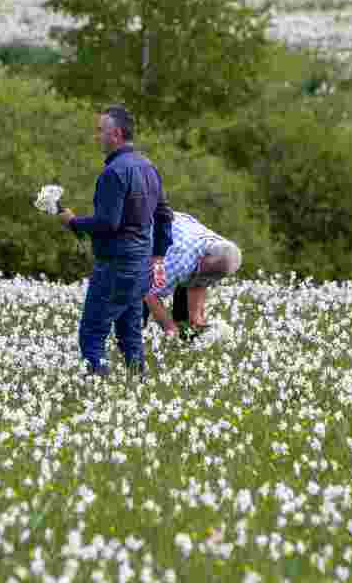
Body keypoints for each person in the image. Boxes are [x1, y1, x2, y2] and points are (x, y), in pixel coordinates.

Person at [57, 105, 172, 378]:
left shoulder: (114, 172)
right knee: (130, 336)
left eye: (100, 131)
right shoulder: (148, 167)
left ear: (116, 134)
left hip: (114, 267)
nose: (97, 136)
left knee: (92, 334)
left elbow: (109, 223)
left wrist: (73, 222)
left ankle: (96, 391)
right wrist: (156, 255)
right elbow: (165, 215)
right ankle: (139, 387)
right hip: (139, 267)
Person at [142, 211, 242, 340]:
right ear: (202, 258)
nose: (209, 279)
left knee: (189, 319)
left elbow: (202, 280)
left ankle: (187, 330)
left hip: (172, 227)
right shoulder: (181, 261)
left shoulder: (222, 248)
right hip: (136, 232)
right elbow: (147, 291)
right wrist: (169, 328)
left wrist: (197, 320)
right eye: (206, 272)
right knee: (135, 302)